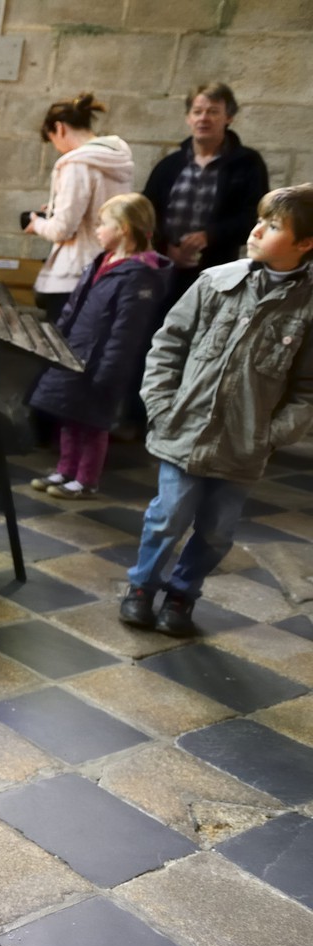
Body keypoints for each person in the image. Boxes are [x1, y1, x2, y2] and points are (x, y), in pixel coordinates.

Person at [119, 185, 313, 637]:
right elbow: (167, 345)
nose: (257, 230)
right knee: (168, 515)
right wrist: (163, 404)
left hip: (244, 445)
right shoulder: (216, 282)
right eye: (260, 218)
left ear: (304, 244)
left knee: (217, 531)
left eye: (274, 226)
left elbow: (307, 390)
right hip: (185, 428)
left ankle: (183, 594)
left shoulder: (307, 308)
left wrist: (268, 434)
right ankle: (142, 587)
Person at [27, 194, 173, 499]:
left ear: (123, 228)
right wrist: (59, 338)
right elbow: (76, 304)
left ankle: (86, 480)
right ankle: (65, 470)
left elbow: (126, 331)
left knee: (92, 422)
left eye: (102, 224)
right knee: (69, 415)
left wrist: (110, 369)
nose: (97, 230)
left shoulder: (139, 275)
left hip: (103, 360)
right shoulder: (103, 261)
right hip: (77, 350)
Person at [142, 82, 271, 302]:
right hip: (164, 270)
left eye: (213, 112)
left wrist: (209, 235)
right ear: (188, 118)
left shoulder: (247, 164)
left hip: (217, 272)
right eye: (197, 111)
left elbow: (256, 217)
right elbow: (146, 214)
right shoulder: (169, 166)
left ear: (229, 118)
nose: (204, 118)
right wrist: (166, 248)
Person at [25, 93, 134, 323]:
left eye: (52, 139)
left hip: (75, 275)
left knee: (62, 350)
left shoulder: (77, 165)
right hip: (109, 267)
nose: (58, 148)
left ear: (60, 128)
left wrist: (37, 223)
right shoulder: (118, 159)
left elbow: (62, 230)